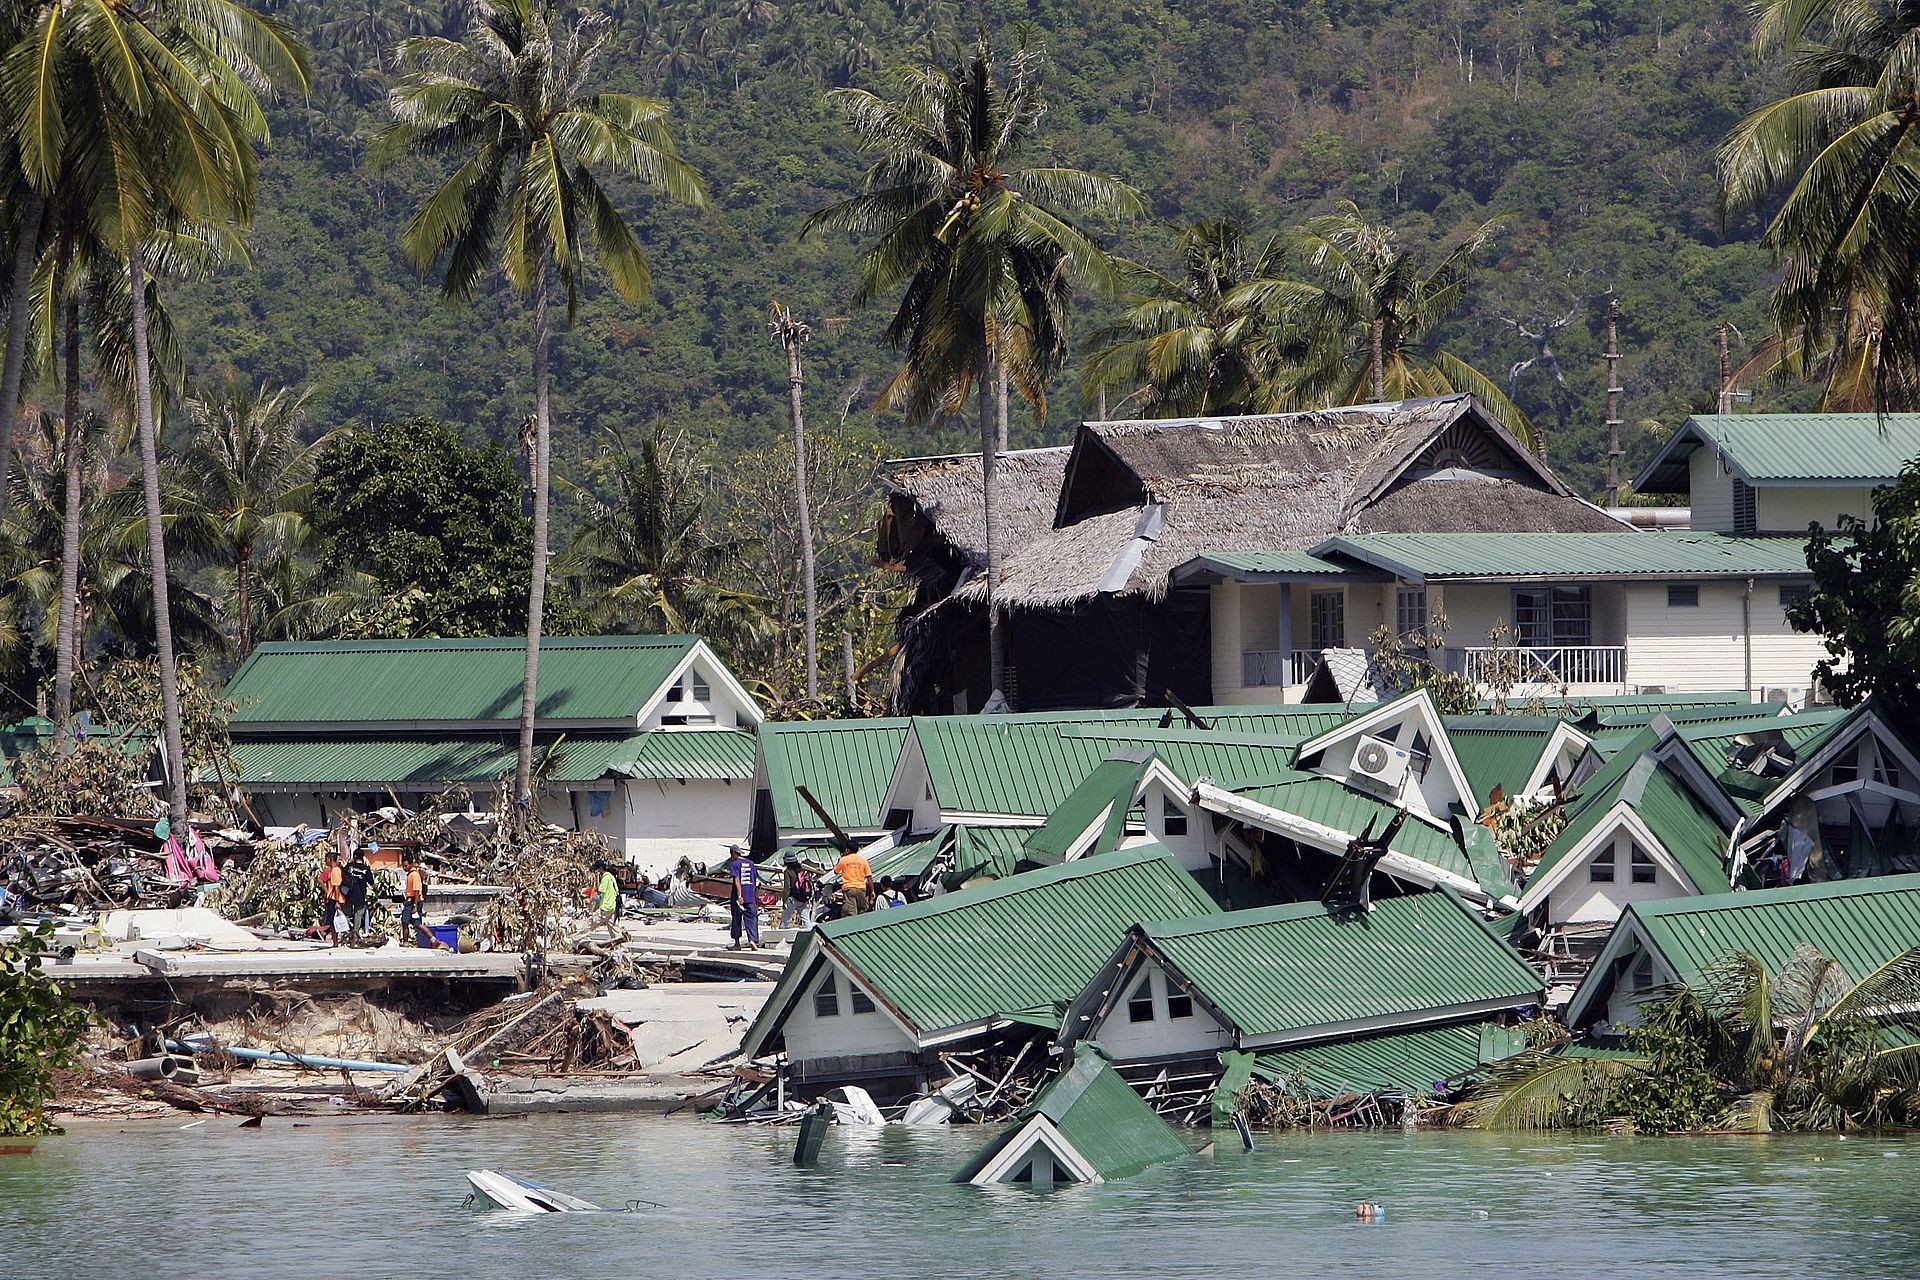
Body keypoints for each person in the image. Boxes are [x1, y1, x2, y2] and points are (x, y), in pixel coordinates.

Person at [725, 844, 761, 950]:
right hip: (750, 897)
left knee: (736, 919)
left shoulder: (735, 864)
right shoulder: (751, 863)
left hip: (738, 897)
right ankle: (752, 940)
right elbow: (756, 881)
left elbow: (737, 881)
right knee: (752, 918)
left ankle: (737, 944)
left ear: (733, 853)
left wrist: (740, 895)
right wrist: (755, 895)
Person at [342, 848, 375, 940]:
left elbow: (342, 877)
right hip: (360, 895)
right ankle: (355, 933)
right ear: (363, 857)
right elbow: (371, 883)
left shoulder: (349, 866)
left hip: (348, 894)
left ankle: (346, 933)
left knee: (347, 914)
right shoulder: (366, 869)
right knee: (358, 914)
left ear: (355, 856)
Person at [778, 851, 815, 931]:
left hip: (793, 898)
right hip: (802, 897)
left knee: (786, 917)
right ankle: (809, 931)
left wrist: (784, 901)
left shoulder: (787, 872)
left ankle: (780, 932)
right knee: (805, 917)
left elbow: (787, 887)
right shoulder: (801, 869)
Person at [833, 843, 873, 916]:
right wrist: (872, 891)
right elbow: (869, 877)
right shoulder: (863, 860)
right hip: (861, 888)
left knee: (850, 912)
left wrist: (841, 858)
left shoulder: (843, 860)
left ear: (848, 850)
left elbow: (835, 871)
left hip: (849, 888)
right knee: (862, 911)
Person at [400, 854, 430, 948]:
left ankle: (431, 938)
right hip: (411, 900)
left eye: (406, 866)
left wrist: (415, 906)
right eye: (403, 866)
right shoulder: (410, 874)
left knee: (414, 923)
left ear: (411, 864)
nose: (404, 868)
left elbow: (416, 891)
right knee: (407, 922)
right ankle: (406, 942)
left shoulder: (414, 874)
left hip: (413, 901)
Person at [319, 851, 346, 942]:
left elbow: (336, 887)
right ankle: (335, 941)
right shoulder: (334, 870)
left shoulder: (335, 871)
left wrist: (337, 901)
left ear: (330, 860)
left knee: (335, 921)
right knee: (332, 922)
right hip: (333, 897)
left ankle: (337, 941)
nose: (325, 861)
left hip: (335, 898)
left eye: (326, 859)